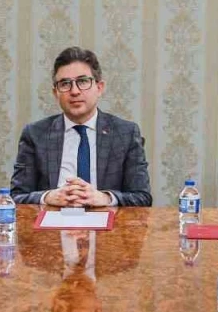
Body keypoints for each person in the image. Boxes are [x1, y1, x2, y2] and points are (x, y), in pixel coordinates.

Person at [10, 47, 151, 208]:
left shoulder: (126, 133)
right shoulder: (35, 134)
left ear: (99, 87)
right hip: (52, 221)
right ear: (56, 93)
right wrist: (48, 197)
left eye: (83, 81)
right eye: (65, 84)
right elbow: (16, 196)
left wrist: (106, 198)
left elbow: (142, 197)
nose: (75, 91)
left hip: (107, 222)